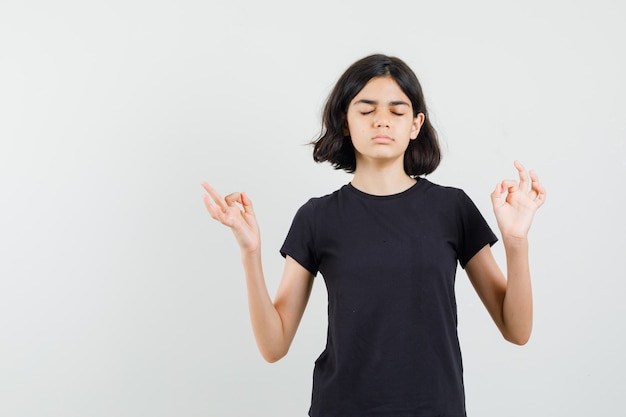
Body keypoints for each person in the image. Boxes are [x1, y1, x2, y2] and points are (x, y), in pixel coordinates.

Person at [201, 54, 546, 417]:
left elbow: (517, 330)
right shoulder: (317, 217)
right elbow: (274, 345)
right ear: (345, 122)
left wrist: (516, 242)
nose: (382, 120)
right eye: (366, 111)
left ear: (416, 124)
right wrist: (249, 251)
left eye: (397, 112)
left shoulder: (452, 209)